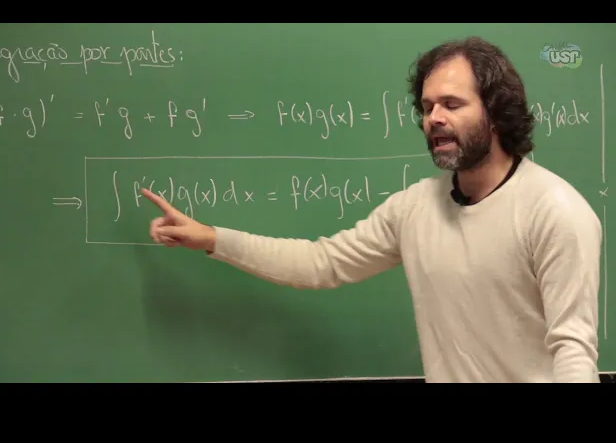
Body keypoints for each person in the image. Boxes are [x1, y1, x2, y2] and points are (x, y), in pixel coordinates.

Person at [141, 36, 603, 383]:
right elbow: (321, 262)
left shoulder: (554, 211)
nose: (433, 118)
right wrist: (213, 239)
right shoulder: (414, 208)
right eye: (427, 106)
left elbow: (573, 351)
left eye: (452, 104)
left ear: (496, 113)